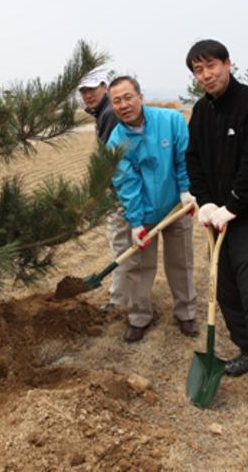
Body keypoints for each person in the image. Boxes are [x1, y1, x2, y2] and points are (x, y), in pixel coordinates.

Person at [184, 39, 248, 414]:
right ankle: (247, 351)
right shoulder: (202, 110)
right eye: (198, 70)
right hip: (218, 220)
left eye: (211, 65)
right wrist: (206, 202)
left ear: (228, 63)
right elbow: (193, 159)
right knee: (227, 294)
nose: (206, 75)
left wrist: (234, 205)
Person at [105, 75, 198, 342]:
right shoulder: (116, 142)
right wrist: (135, 223)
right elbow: (127, 183)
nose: (123, 105)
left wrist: (185, 190)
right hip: (143, 213)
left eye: (127, 97)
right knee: (139, 268)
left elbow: (183, 158)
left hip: (175, 207)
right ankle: (139, 317)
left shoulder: (170, 121)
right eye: (116, 101)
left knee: (181, 262)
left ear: (140, 97)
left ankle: (186, 313)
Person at [78, 66, 127, 309]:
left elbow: (111, 160)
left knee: (120, 245)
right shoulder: (103, 112)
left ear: (104, 87)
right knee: (125, 246)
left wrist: (98, 193)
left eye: (92, 88)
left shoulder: (109, 113)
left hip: (122, 193)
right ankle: (125, 296)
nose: (88, 95)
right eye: (83, 91)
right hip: (122, 190)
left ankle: (118, 300)